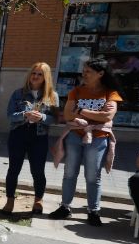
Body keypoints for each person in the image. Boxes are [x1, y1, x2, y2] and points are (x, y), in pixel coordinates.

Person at [49, 58, 123, 226]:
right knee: (69, 173)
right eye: (84, 70)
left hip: (98, 138)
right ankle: (65, 207)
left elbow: (108, 116)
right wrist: (93, 115)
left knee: (92, 176)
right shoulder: (76, 91)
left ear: (100, 74)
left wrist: (81, 111)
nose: (84, 74)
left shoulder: (110, 93)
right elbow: (67, 115)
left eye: (88, 71)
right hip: (75, 135)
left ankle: (93, 211)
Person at [2, 62, 59, 215]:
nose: (35, 76)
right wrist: (24, 115)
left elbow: (54, 119)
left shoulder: (52, 96)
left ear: (45, 77)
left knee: (38, 171)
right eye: (34, 73)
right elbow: (9, 115)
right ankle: (10, 200)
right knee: (14, 169)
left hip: (39, 137)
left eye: (40, 74)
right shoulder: (18, 93)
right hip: (18, 134)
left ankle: (38, 200)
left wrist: (42, 117)